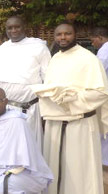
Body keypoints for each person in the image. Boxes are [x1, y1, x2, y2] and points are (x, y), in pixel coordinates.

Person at [32, 23, 108, 194]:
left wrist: (70, 99)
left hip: (80, 125)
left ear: (75, 35)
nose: (63, 38)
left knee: (79, 171)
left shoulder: (88, 59)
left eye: (67, 34)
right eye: (59, 34)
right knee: (56, 170)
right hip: (55, 125)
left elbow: (101, 93)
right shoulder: (55, 59)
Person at [0, 16, 50, 147]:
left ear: (24, 27)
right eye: (10, 28)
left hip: (29, 110)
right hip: (4, 110)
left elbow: (48, 79)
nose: (13, 30)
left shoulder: (39, 48)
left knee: (28, 150)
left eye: (17, 27)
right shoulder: (0, 50)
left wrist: (47, 112)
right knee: (5, 148)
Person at [90, 26, 108, 166]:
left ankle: (104, 162)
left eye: (93, 40)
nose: (92, 43)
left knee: (104, 128)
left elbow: (96, 73)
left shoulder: (104, 51)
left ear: (100, 37)